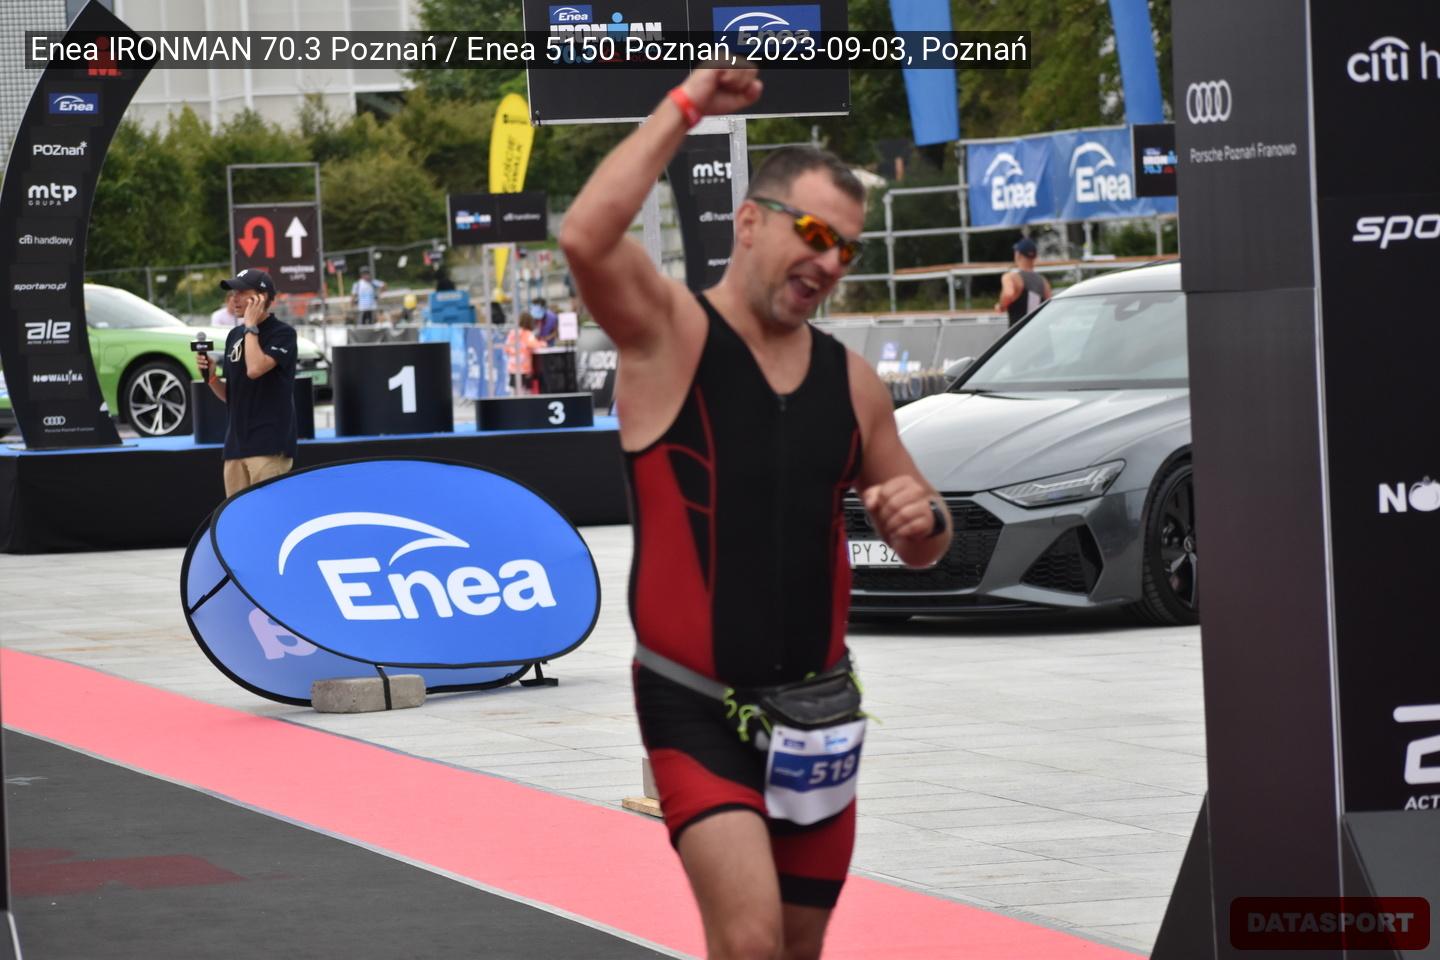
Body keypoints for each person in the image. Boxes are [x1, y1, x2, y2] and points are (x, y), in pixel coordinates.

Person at [559, 67, 953, 960]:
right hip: (696, 708)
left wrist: (921, 519)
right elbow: (586, 235)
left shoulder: (853, 383)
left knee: (797, 950)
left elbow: (928, 536)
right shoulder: (670, 336)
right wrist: (686, 106)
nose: (830, 263)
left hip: (820, 713)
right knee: (749, 942)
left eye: (847, 249)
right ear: (748, 223)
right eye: (813, 233)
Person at [195, 269, 298, 498]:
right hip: (235, 446)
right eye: (233, 293)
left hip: (268, 445)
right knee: (237, 516)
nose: (235, 298)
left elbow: (255, 369)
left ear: (262, 297)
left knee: (268, 514)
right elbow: (231, 396)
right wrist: (212, 377)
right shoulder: (234, 335)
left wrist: (251, 326)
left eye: (242, 292)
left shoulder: (283, 333)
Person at [996, 236, 1051, 327]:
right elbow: (1049, 304)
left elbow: (1008, 294)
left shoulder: (1011, 277)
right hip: (1039, 330)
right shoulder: (1043, 281)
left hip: (1020, 332)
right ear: (1034, 257)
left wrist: (1001, 306)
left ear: (1017, 255)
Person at [504, 313, 543, 394]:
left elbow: (506, 348)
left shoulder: (512, 333)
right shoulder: (528, 334)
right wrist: (543, 343)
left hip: (513, 368)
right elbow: (535, 345)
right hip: (524, 369)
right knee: (525, 392)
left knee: (514, 392)